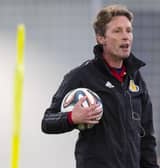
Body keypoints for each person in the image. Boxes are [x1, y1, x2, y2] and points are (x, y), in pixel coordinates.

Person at [41, 4, 159, 168]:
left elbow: (147, 138)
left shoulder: (136, 79)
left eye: (129, 30)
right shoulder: (82, 76)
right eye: (117, 31)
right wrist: (71, 118)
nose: (126, 36)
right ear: (101, 38)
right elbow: (47, 122)